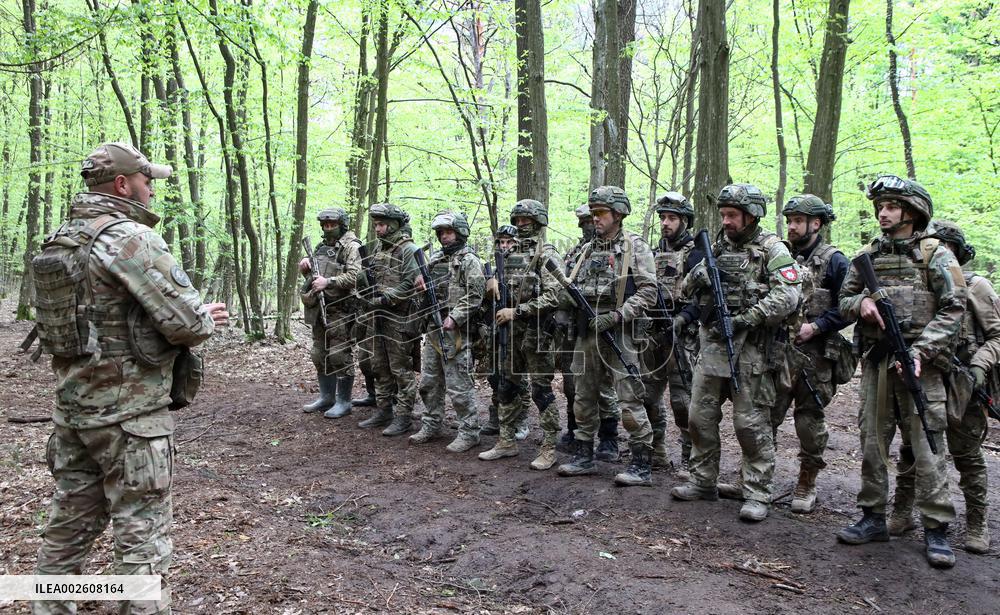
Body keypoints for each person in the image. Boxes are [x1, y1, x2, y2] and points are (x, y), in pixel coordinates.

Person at [28, 142, 228, 615]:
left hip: (74, 413)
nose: (152, 190)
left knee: (66, 533)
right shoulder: (129, 238)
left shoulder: (63, 237)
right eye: (147, 181)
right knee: (141, 540)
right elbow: (188, 325)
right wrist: (205, 315)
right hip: (130, 420)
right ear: (123, 184)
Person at [836, 175, 966, 569]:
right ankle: (873, 516)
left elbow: (954, 308)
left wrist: (922, 350)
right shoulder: (868, 255)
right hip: (877, 362)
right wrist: (861, 304)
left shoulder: (935, 255)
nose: (883, 213)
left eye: (891, 207)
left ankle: (936, 528)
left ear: (911, 211)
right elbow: (842, 300)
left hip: (920, 368)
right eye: (880, 207)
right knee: (872, 443)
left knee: (927, 446)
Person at [670, 183, 801, 521]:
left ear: (751, 215)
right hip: (713, 345)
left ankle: (757, 492)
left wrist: (747, 318)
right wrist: (699, 274)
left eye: (732, 215)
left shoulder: (773, 249)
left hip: (753, 349)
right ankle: (702, 480)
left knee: (750, 424)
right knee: (700, 417)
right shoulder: (712, 248)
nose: (726, 221)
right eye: (723, 215)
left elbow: (788, 296)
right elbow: (683, 291)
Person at [887, 219, 997, 555]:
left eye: (944, 247)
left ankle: (978, 522)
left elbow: (996, 335)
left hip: (964, 384)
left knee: (967, 455)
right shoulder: (923, 284)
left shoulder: (977, 286)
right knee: (912, 448)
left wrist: (978, 368)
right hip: (926, 376)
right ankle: (902, 512)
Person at [556, 186, 658, 486]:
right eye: (593, 213)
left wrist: (617, 315)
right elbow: (570, 289)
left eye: (600, 213)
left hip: (620, 334)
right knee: (583, 395)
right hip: (588, 333)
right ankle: (584, 454)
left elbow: (649, 292)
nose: (595, 219)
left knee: (629, 398)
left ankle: (641, 463)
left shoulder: (634, 247)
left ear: (618, 214)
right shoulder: (587, 249)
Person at [770, 195, 852, 513]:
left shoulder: (835, 261)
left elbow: (848, 306)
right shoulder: (779, 255)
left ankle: (807, 482)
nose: (791, 226)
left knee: (808, 421)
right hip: (779, 352)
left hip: (815, 356)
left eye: (797, 221)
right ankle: (754, 477)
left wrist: (816, 327)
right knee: (765, 415)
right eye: (789, 220)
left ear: (815, 224)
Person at [480, 200, 562, 470]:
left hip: (537, 334)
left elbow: (555, 296)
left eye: (526, 221)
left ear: (538, 222)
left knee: (541, 392)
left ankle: (549, 448)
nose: (520, 226)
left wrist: (517, 311)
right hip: (509, 334)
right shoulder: (509, 254)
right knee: (506, 387)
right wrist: (491, 284)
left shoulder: (546, 253)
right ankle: (506, 441)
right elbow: (502, 290)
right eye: (517, 221)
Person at [411, 212, 486, 452]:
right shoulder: (434, 259)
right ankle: (432, 423)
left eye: (449, 232)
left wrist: (455, 316)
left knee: (459, 384)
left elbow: (475, 295)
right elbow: (425, 288)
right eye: (441, 233)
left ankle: (469, 431)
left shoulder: (469, 260)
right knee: (429, 381)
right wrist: (420, 283)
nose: (444, 237)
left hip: (457, 330)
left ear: (461, 232)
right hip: (433, 328)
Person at [641, 192, 702, 471]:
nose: (666, 223)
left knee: (682, 401)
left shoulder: (697, 254)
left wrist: (683, 318)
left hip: (683, 337)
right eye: (663, 218)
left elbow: (706, 300)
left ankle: (691, 458)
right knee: (648, 397)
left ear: (684, 221)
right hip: (654, 334)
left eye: (672, 218)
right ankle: (658, 450)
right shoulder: (653, 253)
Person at [557, 203, 621, 461]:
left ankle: (609, 438)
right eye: (583, 222)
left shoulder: (617, 250)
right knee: (575, 385)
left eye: (588, 221)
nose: (585, 226)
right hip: (576, 328)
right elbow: (564, 285)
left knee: (604, 387)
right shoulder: (577, 253)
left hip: (606, 327)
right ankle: (576, 432)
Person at [356, 202, 422, 437]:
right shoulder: (378, 250)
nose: (378, 229)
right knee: (379, 366)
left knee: (400, 369)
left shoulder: (408, 249)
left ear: (394, 225)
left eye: (382, 224)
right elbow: (369, 279)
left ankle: (403, 416)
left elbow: (412, 282)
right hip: (377, 316)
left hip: (399, 318)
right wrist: (363, 283)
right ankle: (384, 409)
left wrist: (386, 299)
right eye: (376, 225)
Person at [298, 208, 362, 418]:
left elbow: (356, 276)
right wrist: (307, 270)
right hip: (321, 310)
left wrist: (329, 282)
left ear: (341, 224)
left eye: (332, 224)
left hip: (342, 309)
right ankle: (327, 397)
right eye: (325, 225)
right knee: (319, 354)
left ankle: (344, 401)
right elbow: (316, 275)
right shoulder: (321, 247)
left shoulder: (352, 247)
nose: (328, 228)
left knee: (339, 355)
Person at [481, 225, 530, 441]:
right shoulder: (495, 268)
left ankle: (521, 419)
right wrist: (488, 285)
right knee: (495, 374)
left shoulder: (525, 265)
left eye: (509, 242)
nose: (505, 246)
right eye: (501, 242)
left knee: (516, 376)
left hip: (518, 326)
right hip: (496, 325)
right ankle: (496, 416)